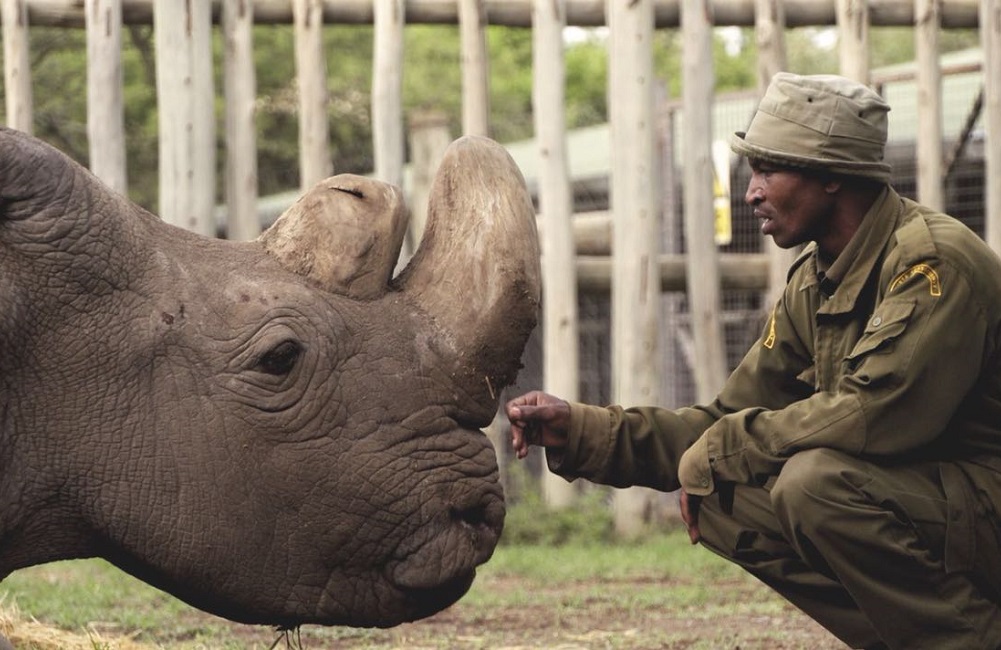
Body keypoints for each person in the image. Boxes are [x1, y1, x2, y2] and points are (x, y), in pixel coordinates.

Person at [506, 72, 1001, 650]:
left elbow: (874, 417)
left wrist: (723, 445)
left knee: (812, 484)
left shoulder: (932, 264)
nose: (751, 192)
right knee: (725, 498)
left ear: (833, 175)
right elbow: (727, 416)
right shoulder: (817, 281)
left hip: (982, 502)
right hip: (936, 510)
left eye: (768, 169)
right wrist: (586, 429)